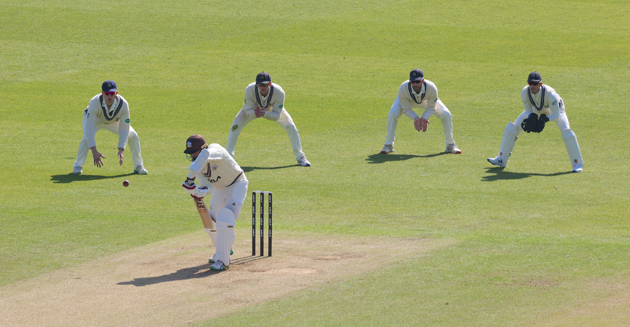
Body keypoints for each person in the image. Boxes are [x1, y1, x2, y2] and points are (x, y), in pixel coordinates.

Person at [487, 72, 584, 172]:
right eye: (530, 83)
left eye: (535, 84)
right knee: (512, 128)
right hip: (536, 110)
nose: (532, 86)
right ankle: (501, 159)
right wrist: (531, 117)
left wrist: (544, 120)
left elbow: (556, 114)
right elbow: (528, 110)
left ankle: (577, 164)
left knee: (566, 132)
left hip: (556, 111)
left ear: (540, 84)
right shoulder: (524, 92)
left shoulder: (551, 95)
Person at [182, 135, 248, 271]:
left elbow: (206, 155)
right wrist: (200, 191)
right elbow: (207, 185)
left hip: (237, 184)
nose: (192, 155)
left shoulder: (216, 149)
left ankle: (222, 260)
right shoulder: (196, 165)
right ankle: (223, 250)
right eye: (190, 153)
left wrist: (190, 176)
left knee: (226, 218)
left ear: (202, 148)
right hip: (219, 188)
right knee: (209, 220)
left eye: (194, 152)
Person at [226, 72, 311, 166]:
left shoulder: (279, 92)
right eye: (260, 84)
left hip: (272, 110)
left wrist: (265, 114)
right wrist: (254, 113)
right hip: (254, 109)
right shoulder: (249, 89)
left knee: (291, 126)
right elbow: (247, 110)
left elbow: (276, 115)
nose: (262, 87)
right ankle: (227, 158)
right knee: (235, 126)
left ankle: (300, 157)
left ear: (270, 84)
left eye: (265, 84)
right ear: (256, 84)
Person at [72, 80, 148, 174]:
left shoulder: (123, 104)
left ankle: (138, 166)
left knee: (133, 135)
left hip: (113, 121)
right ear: (102, 93)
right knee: (86, 138)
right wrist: (94, 151)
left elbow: (125, 127)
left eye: (112, 93)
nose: (109, 96)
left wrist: (121, 148)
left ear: (116, 93)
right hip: (96, 121)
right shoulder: (94, 102)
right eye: (107, 93)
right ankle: (78, 166)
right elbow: (89, 129)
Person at [380, 69, 461, 154]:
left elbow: (431, 107)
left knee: (446, 114)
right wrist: (416, 118)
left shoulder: (431, 87)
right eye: (412, 81)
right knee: (392, 113)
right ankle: (389, 145)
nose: (415, 84)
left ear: (422, 80)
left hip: (426, 101)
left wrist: (423, 117)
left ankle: (450, 145)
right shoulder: (403, 88)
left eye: (417, 81)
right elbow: (406, 109)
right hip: (408, 100)